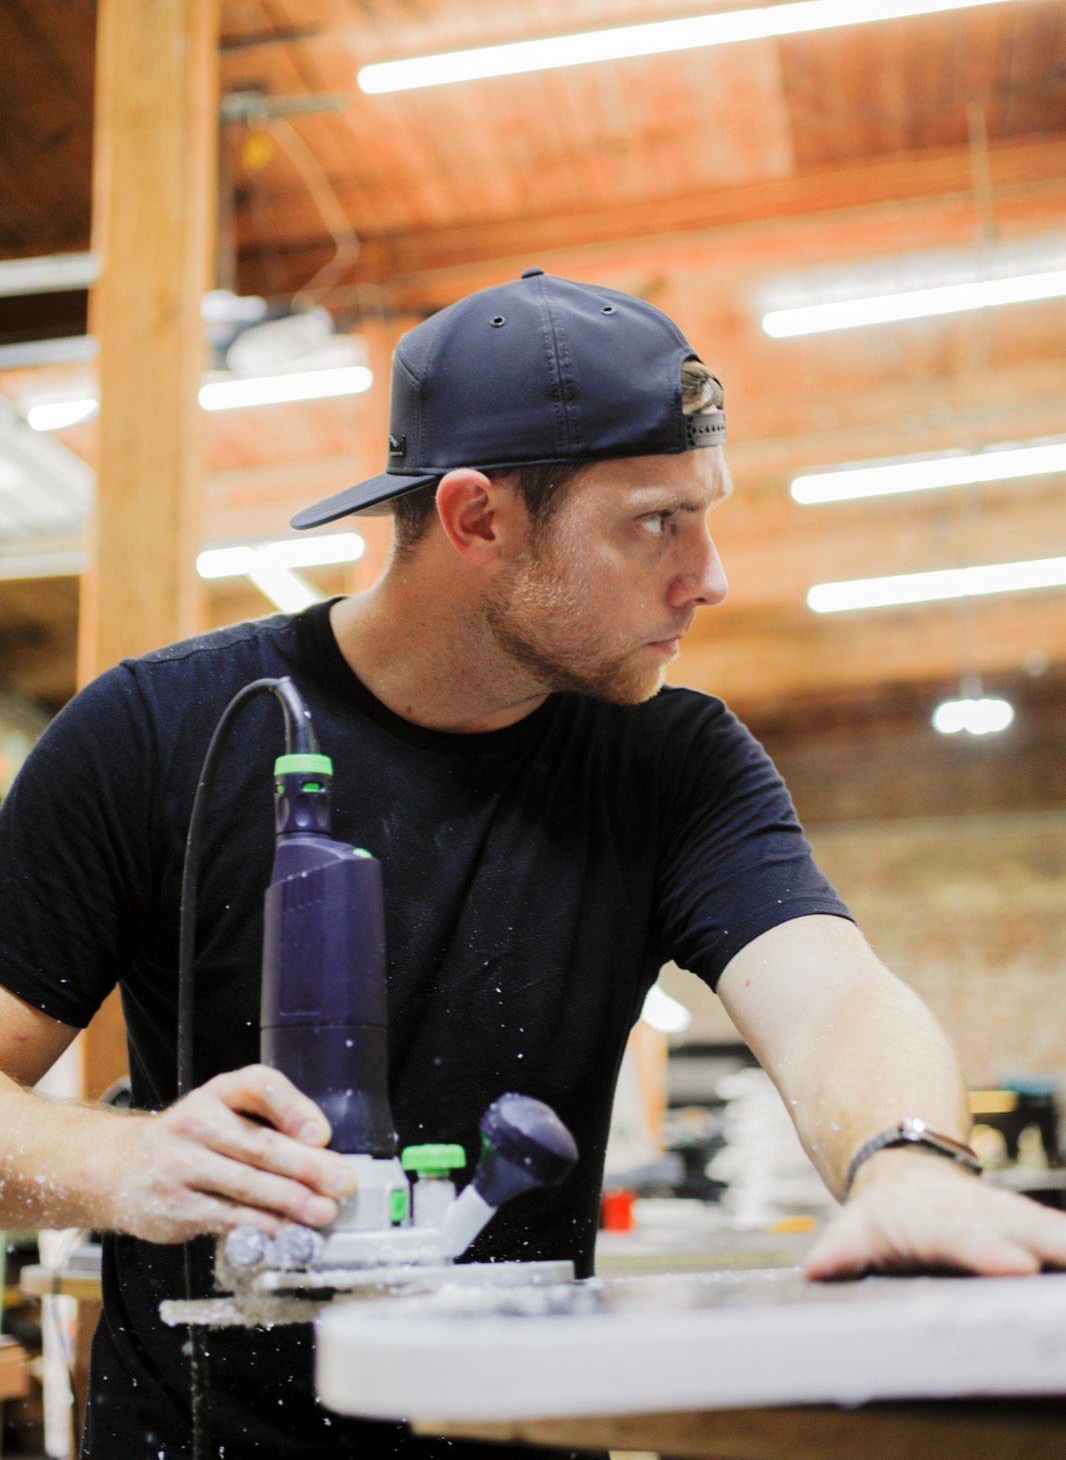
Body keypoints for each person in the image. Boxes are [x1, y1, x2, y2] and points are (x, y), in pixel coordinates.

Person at [0, 267, 1063, 1458]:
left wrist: (906, 1165)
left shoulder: (672, 763)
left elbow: (833, 998)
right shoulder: (158, 734)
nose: (709, 575)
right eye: (655, 521)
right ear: (477, 519)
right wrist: (122, 1161)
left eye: (704, 514)